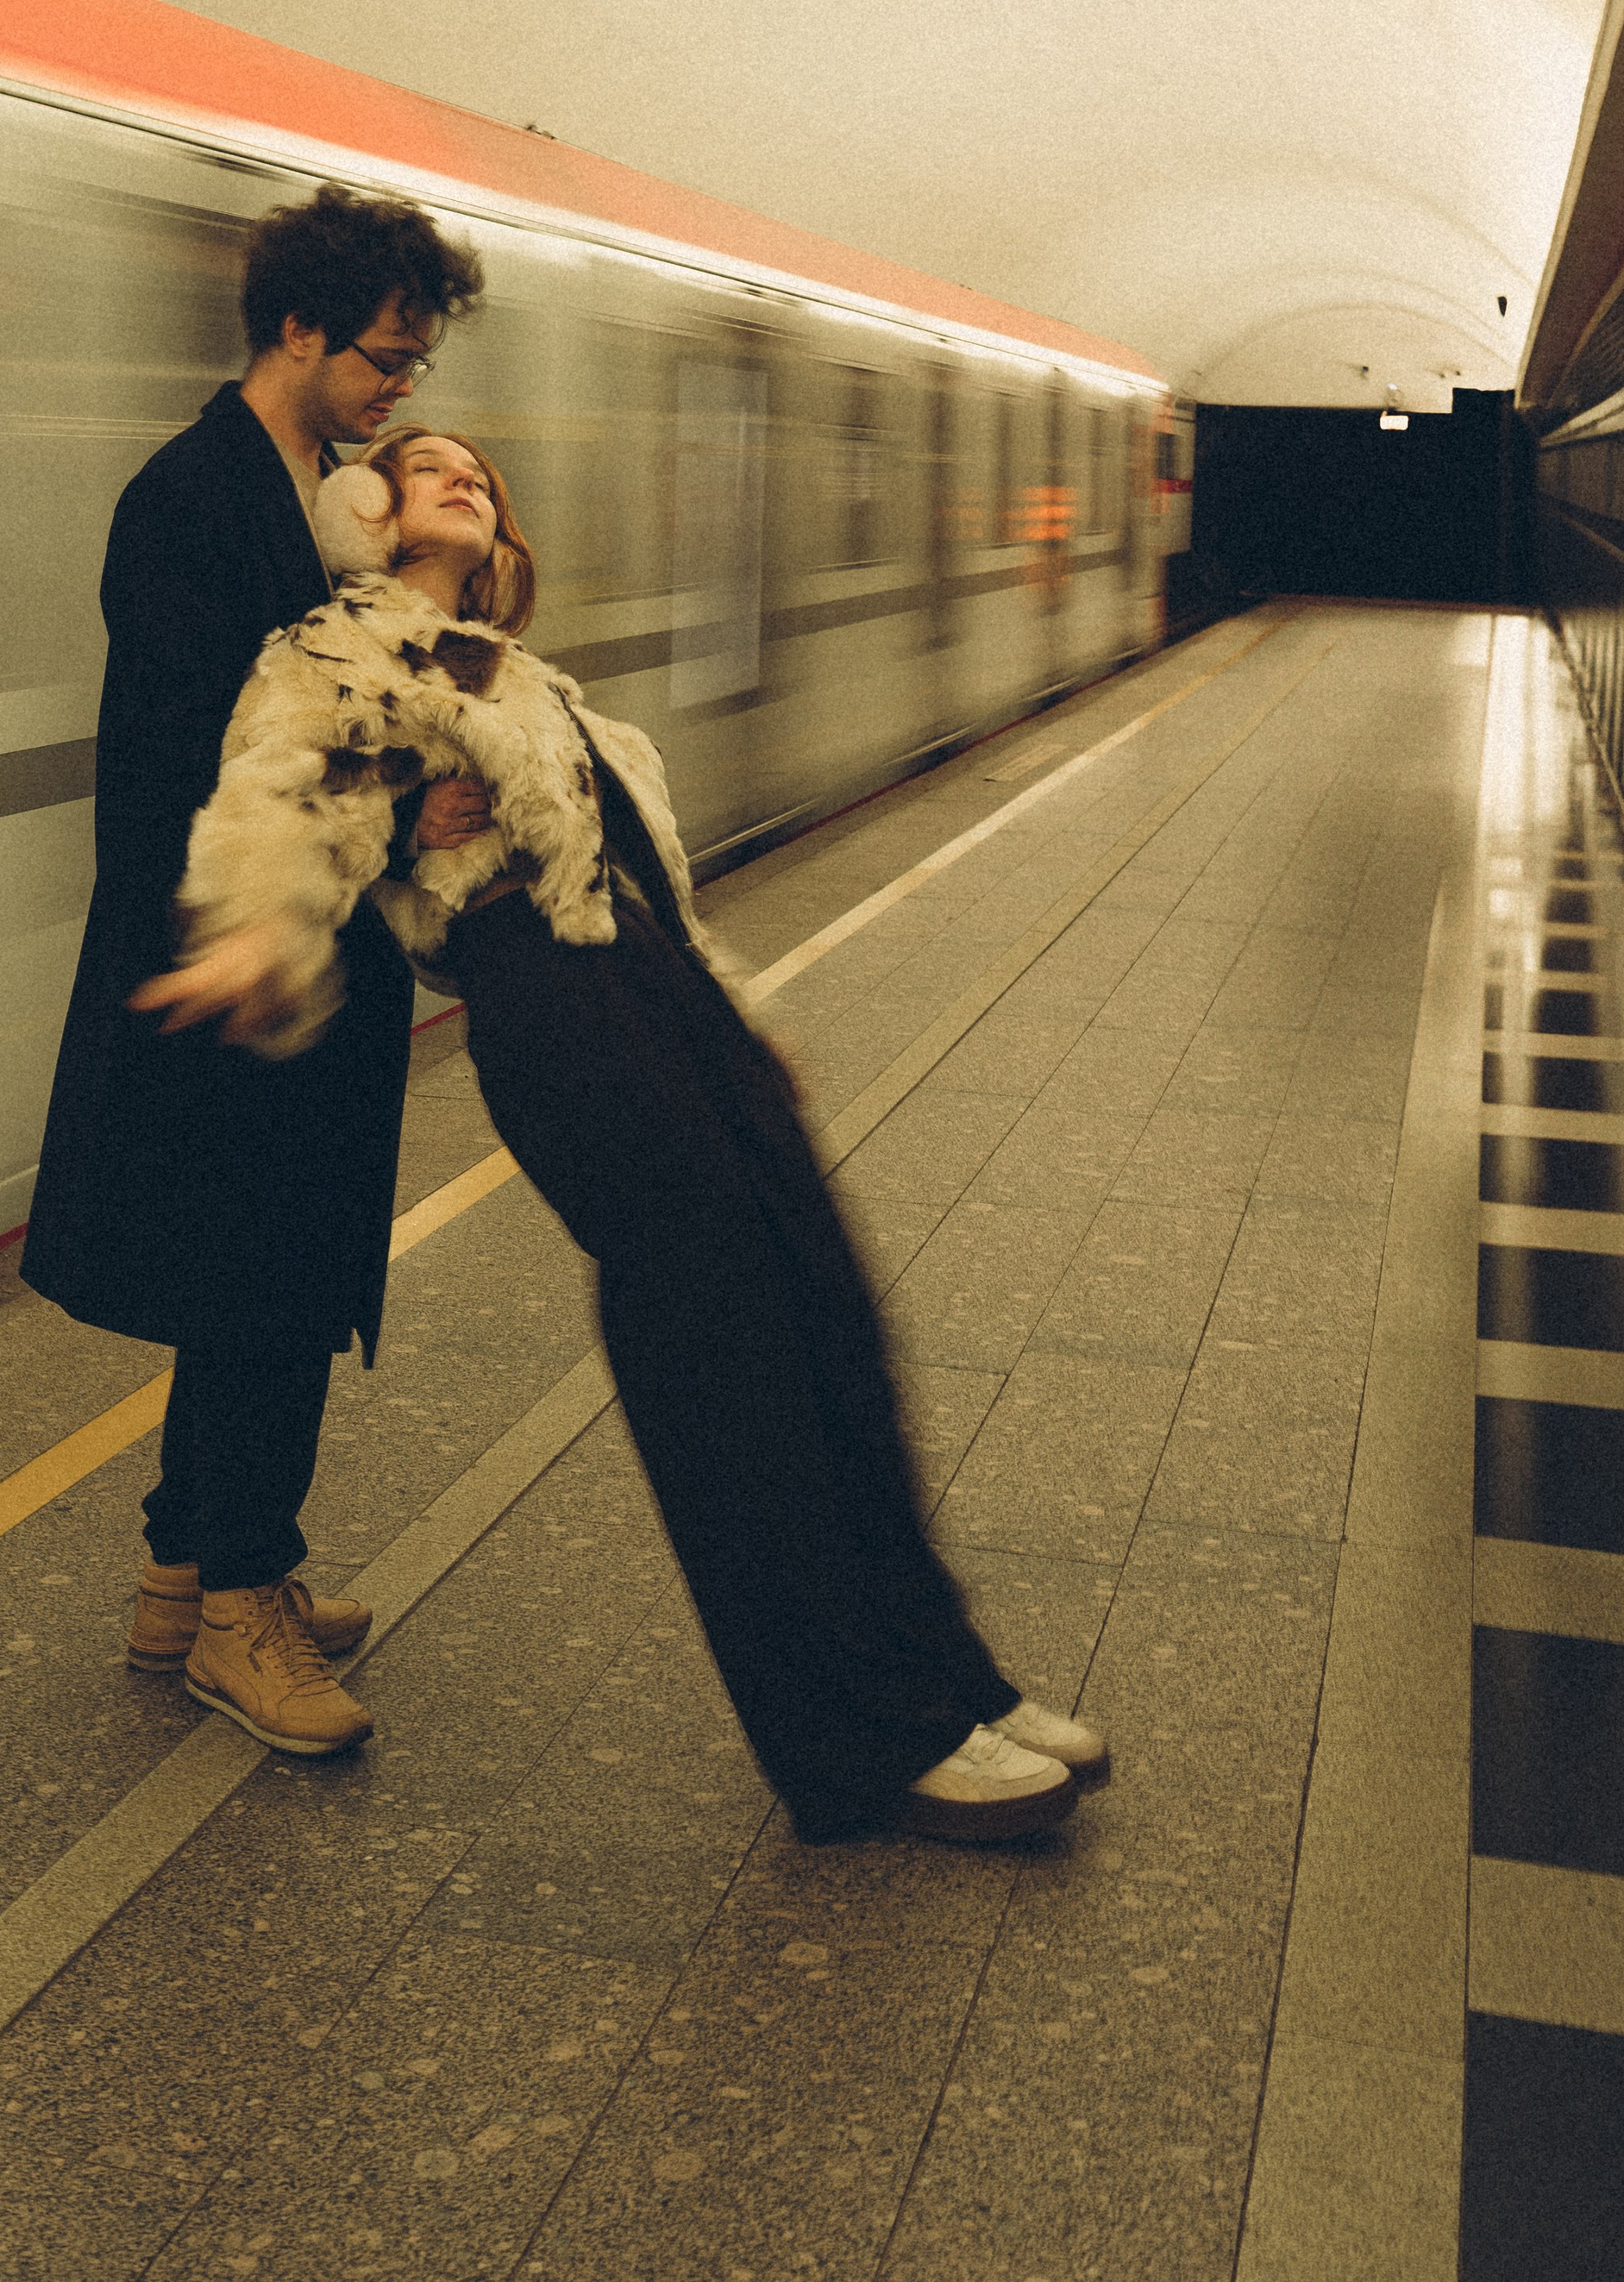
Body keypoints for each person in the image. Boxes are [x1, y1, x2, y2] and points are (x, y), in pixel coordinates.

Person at [134, 426, 1110, 1846]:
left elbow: (636, 869)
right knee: (722, 1349)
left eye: (478, 472)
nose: (462, 477)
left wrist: (730, 1013)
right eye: (424, 465)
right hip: (546, 1002)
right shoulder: (335, 650)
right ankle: (859, 1739)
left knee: (826, 1314)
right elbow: (281, 794)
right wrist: (254, 932)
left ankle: (946, 1678)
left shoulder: (518, 675)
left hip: (657, 992)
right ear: (362, 510)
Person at [21, 185, 486, 1760]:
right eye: (385, 358)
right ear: (298, 328)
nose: (401, 389)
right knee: (269, 1291)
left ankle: (185, 1576)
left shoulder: (316, 489)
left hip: (295, 948)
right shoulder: (189, 499)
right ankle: (242, 1616)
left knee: (254, 1285)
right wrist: (319, 876)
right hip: (238, 958)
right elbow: (193, 755)